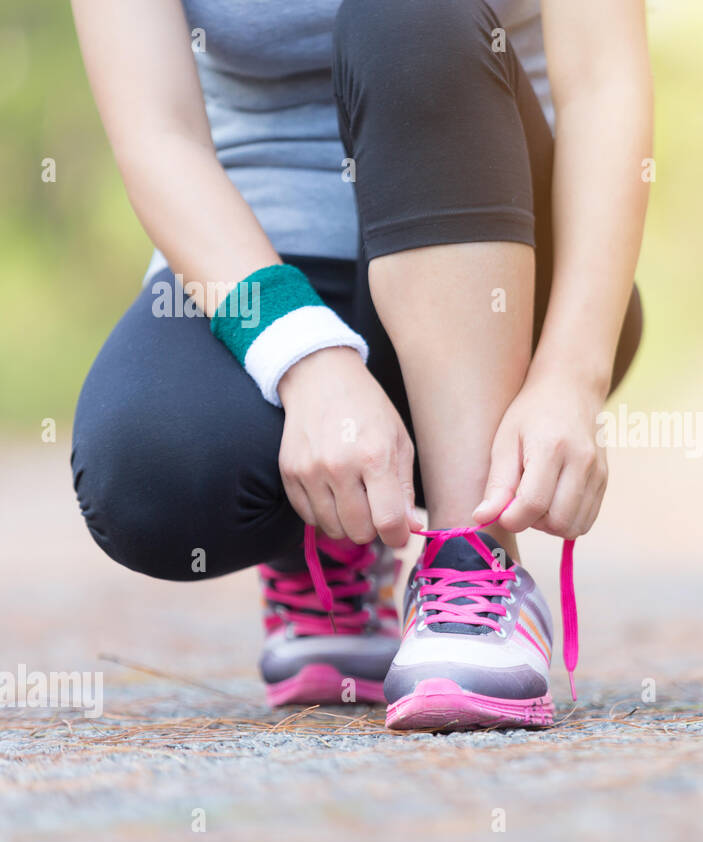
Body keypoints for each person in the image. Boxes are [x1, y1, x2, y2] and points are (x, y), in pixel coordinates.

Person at [68, 0, 651, 730]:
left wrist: (572, 373)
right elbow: (159, 136)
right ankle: (338, 531)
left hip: (497, 269)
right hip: (263, 258)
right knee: (148, 473)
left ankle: (472, 560)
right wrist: (304, 360)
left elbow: (604, 84)